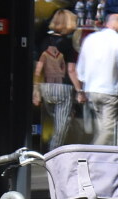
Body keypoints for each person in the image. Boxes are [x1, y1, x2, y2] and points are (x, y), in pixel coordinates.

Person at [77, 12, 118, 145]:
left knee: (101, 128)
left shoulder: (90, 39)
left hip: (92, 89)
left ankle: (101, 158)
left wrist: (83, 86)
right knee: (108, 130)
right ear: (117, 24)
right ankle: (92, 155)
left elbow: (81, 68)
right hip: (110, 90)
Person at [32, 9, 84, 151]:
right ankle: (53, 153)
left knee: (54, 121)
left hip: (46, 87)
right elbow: (71, 70)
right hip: (63, 88)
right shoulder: (68, 45)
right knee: (61, 126)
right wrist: (80, 90)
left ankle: (49, 148)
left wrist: (36, 89)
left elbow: (38, 68)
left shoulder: (43, 42)